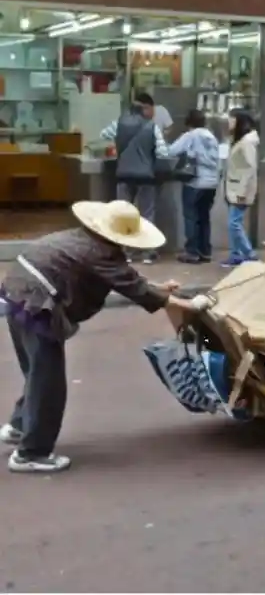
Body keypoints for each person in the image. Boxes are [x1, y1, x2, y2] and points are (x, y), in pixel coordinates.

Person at [0, 200, 203, 474]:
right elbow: (134, 288)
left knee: (37, 370)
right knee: (48, 379)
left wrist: (159, 288)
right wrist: (188, 305)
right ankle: (31, 453)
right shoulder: (103, 253)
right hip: (38, 304)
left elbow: (123, 279)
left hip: (16, 293)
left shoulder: (82, 238)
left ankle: (20, 425)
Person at [100, 92, 169, 265]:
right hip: (146, 177)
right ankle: (147, 253)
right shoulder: (152, 126)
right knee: (146, 214)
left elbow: (103, 135)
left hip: (123, 175)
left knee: (124, 214)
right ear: (143, 111)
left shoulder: (119, 124)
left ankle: (126, 252)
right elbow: (163, 152)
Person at [168, 109, 220, 264]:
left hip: (195, 182)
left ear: (189, 122)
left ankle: (192, 252)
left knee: (191, 217)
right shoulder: (212, 137)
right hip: (211, 183)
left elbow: (172, 150)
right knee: (204, 217)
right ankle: (205, 251)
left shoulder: (190, 136)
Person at [222, 108, 259, 268]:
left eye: (232, 119)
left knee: (234, 223)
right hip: (233, 187)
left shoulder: (247, 143)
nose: (229, 122)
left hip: (240, 189)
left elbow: (250, 168)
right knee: (234, 222)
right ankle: (235, 254)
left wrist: (242, 191)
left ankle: (248, 253)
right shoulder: (239, 140)